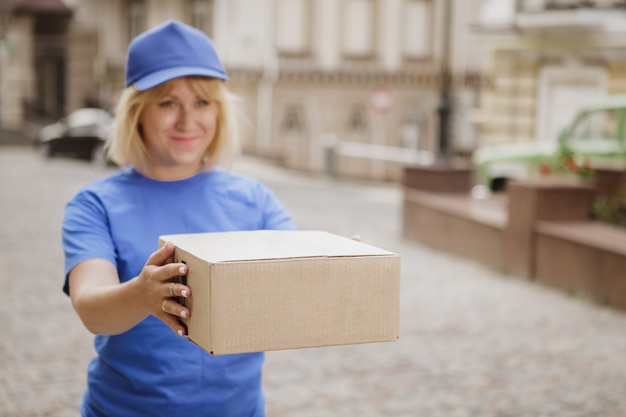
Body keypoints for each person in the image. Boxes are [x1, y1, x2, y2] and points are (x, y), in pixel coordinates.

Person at [62, 20, 295, 417]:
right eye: (168, 103)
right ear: (138, 113)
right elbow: (91, 309)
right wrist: (143, 295)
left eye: (202, 103)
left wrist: (335, 264)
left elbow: (294, 281)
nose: (188, 121)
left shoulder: (255, 201)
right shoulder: (94, 204)